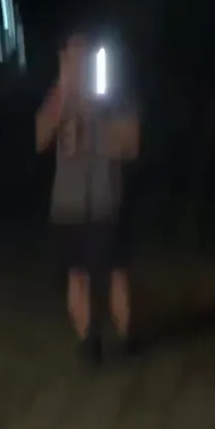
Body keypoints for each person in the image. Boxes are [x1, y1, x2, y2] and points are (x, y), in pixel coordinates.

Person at [36, 33, 140, 364]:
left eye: (83, 55)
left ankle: (124, 338)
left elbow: (131, 146)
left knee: (115, 273)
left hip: (105, 201)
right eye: (71, 56)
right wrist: (63, 94)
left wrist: (97, 123)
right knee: (76, 275)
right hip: (68, 206)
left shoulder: (113, 95)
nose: (78, 62)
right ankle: (88, 341)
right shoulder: (59, 97)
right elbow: (40, 138)